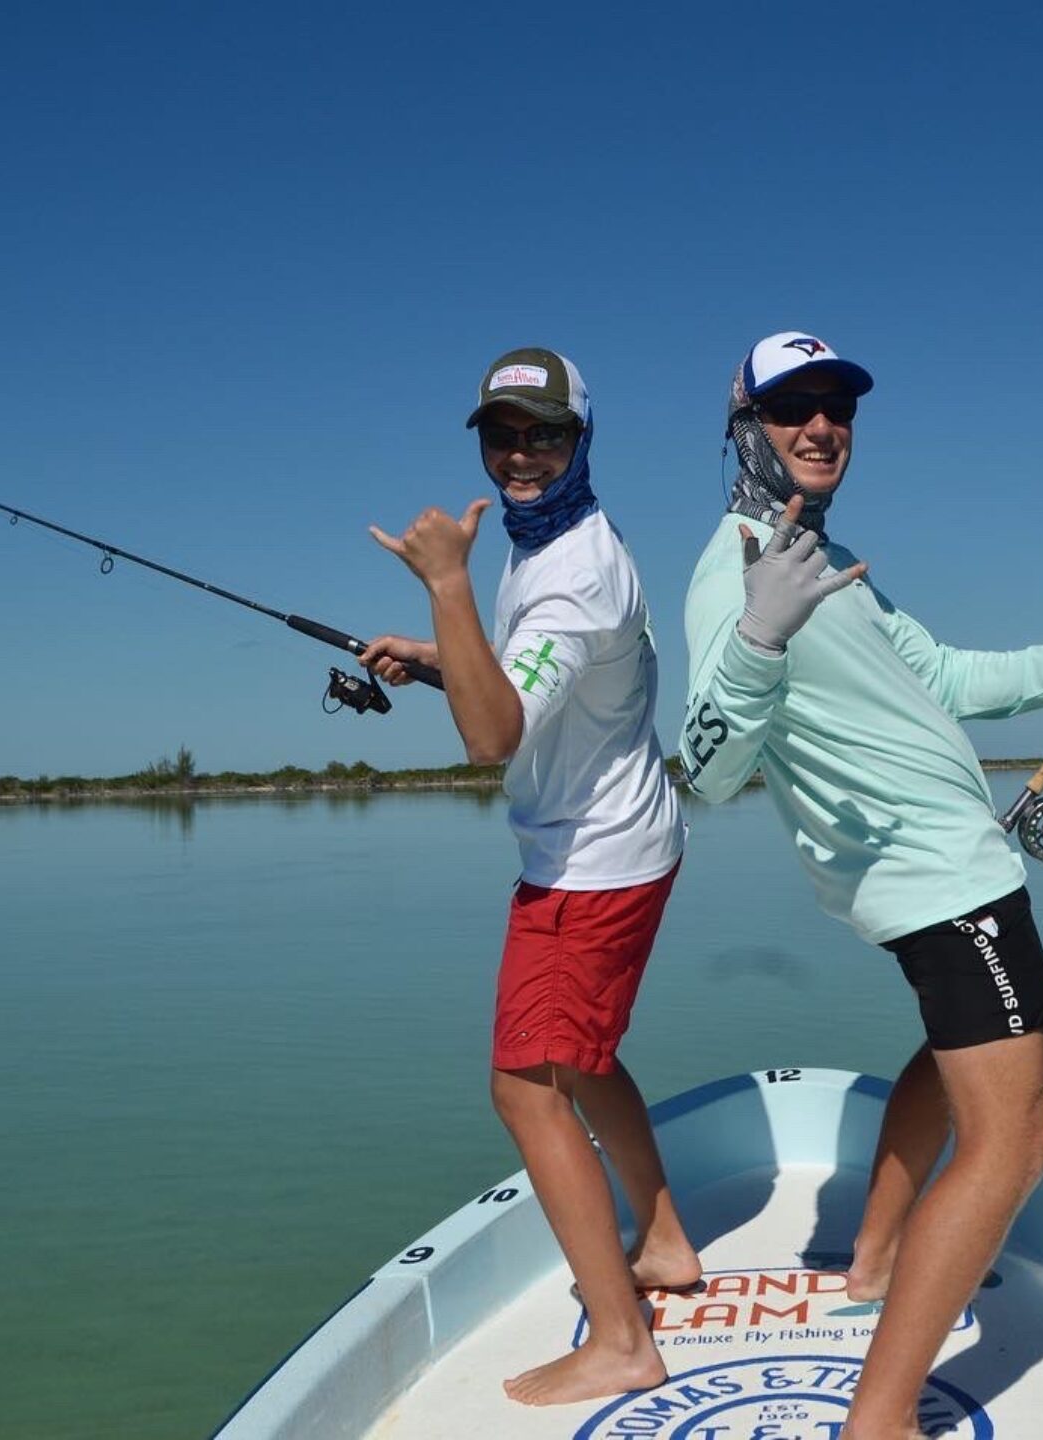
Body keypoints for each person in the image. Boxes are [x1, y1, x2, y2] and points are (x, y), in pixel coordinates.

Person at [681, 331, 1043, 1439]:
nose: (820, 427)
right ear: (742, 430)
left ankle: (873, 1255)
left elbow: (944, 676)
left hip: (949, 871)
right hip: (936, 883)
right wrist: (760, 634)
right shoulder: (743, 575)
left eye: (838, 407)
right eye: (789, 408)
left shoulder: (825, 559)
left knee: (950, 1053)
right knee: (1015, 1142)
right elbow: (706, 768)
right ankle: (882, 1420)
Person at [363, 347, 699, 1407]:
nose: (520, 451)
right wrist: (438, 649)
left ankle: (621, 1342)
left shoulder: (569, 568)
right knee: (587, 1059)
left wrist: (448, 585)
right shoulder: (546, 543)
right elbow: (524, 684)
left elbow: (491, 735)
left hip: (588, 864)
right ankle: (669, 1243)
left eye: (543, 433)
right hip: (623, 840)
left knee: (525, 1086)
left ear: (581, 438)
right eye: (502, 433)